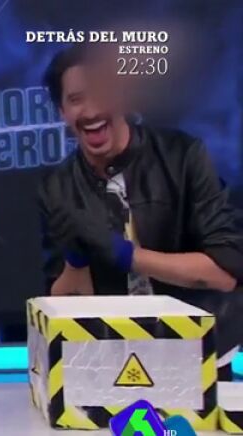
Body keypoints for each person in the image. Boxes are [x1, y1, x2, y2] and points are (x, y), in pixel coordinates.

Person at [37, 45, 243, 380]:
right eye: (76, 99)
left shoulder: (183, 156)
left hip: (200, 357)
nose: (92, 110)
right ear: (62, 112)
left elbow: (223, 274)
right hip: (111, 365)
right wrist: (75, 260)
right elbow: (63, 305)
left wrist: (127, 255)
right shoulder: (57, 187)